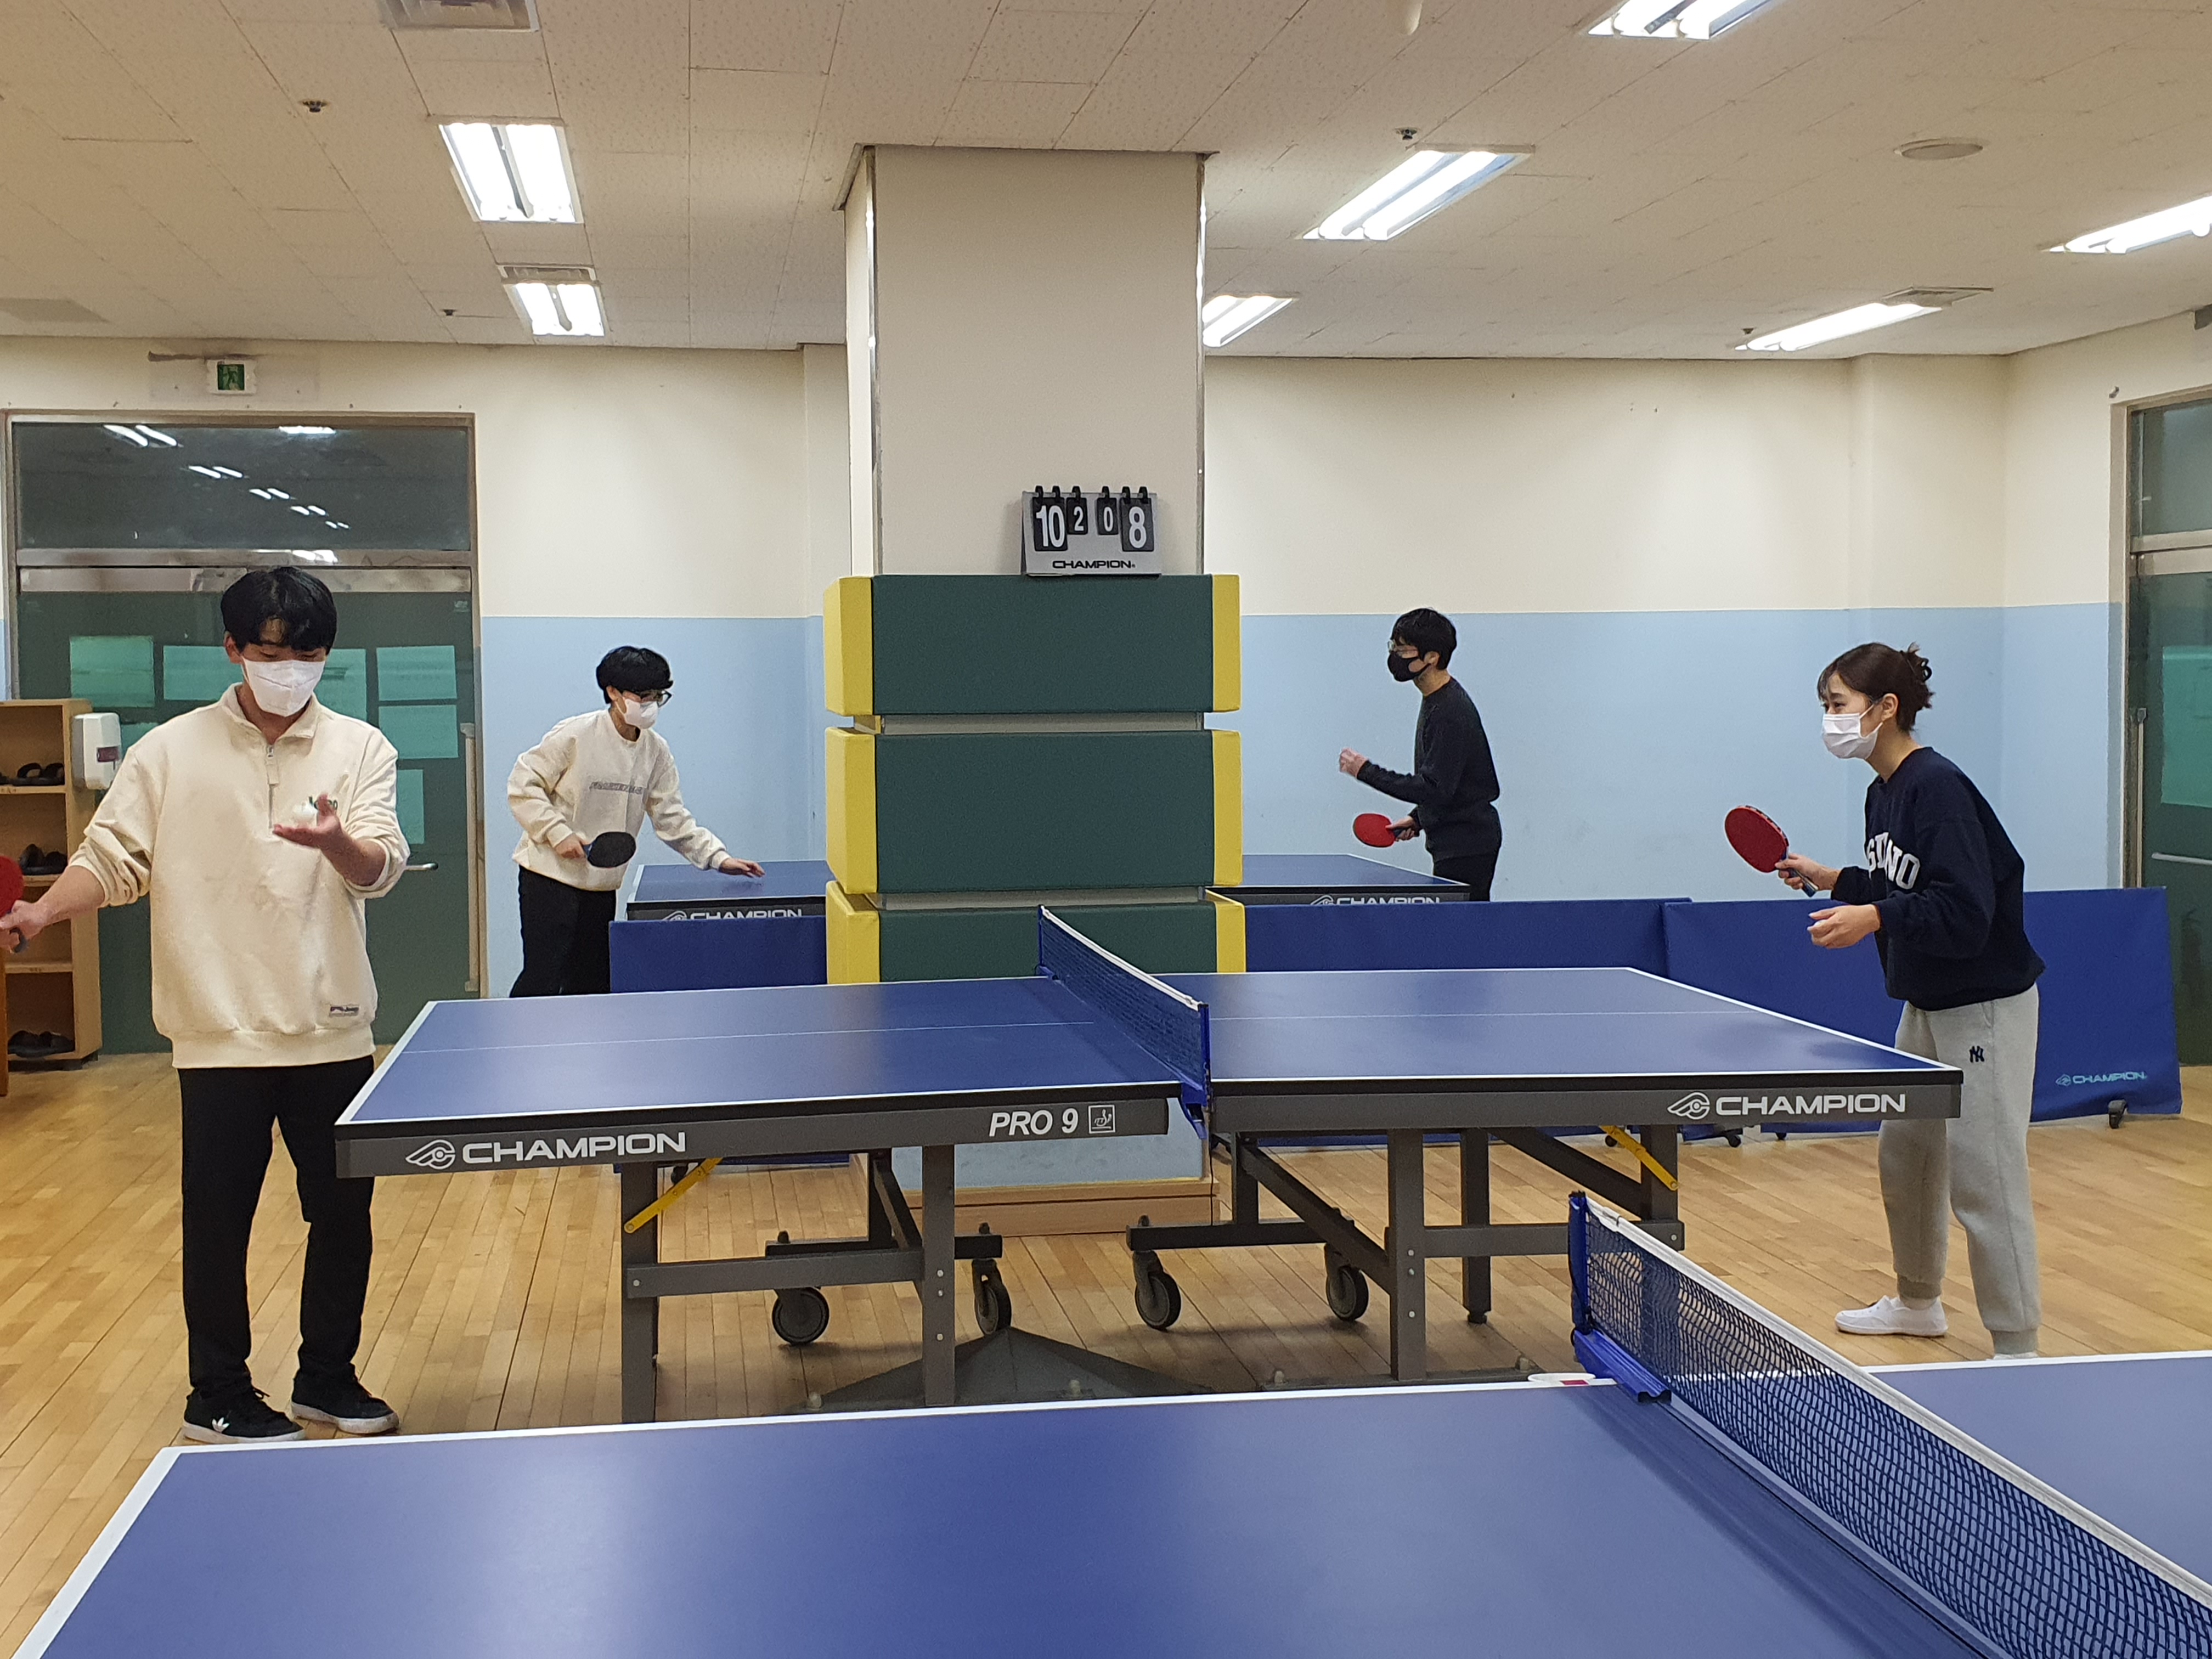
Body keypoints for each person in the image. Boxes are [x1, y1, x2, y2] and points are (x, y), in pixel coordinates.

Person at [0, 570, 410, 1442]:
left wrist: (337, 842)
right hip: (216, 1033)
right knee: (218, 1227)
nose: (291, 669)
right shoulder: (167, 752)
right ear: (232, 650)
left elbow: (381, 867)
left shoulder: (363, 748)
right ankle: (217, 1393)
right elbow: (110, 860)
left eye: (309, 654)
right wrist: (42, 910)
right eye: (271, 652)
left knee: (343, 1219)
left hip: (332, 1028)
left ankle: (328, 1379)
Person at [1778, 642, 2045, 1359]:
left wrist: (1875, 917)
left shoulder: (1938, 788)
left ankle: (2017, 1346)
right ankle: (1919, 1302)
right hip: (1927, 1002)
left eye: (1838, 705)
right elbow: (1903, 886)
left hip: (1983, 1007)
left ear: (1885, 707)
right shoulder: (1883, 792)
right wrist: (1835, 880)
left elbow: (1964, 910)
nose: (1830, 720)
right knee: (1908, 1157)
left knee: (1986, 1178)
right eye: (1826, 707)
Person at [507, 646, 762, 996]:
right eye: (643, 696)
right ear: (613, 692)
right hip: (548, 878)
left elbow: (672, 816)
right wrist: (557, 832)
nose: (651, 704)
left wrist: (718, 858)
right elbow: (524, 785)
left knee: (594, 984)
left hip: (601, 886)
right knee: (543, 979)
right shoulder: (576, 734)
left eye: (658, 696)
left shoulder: (656, 752)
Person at [1336, 607, 1503, 898]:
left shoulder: (1449, 711)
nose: (1395, 656)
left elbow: (1433, 788)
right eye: (1393, 647)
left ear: (1432, 657)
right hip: (1457, 840)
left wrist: (1366, 771)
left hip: (1467, 844)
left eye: (1404, 650)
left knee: (1461, 924)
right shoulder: (1436, 700)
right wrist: (1420, 818)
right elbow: (1449, 782)